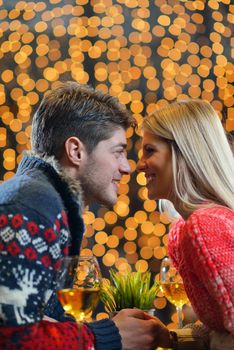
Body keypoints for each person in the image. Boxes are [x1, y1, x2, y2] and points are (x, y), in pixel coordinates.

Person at [0, 81, 171, 350]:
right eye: (118, 152)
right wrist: (107, 336)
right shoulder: (33, 205)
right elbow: (12, 337)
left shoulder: (45, 200)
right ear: (76, 151)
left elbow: (35, 318)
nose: (126, 168)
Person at [137, 99, 234, 349]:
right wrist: (171, 338)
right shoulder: (186, 228)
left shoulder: (205, 226)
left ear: (183, 152)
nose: (139, 164)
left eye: (149, 151)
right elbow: (221, 327)